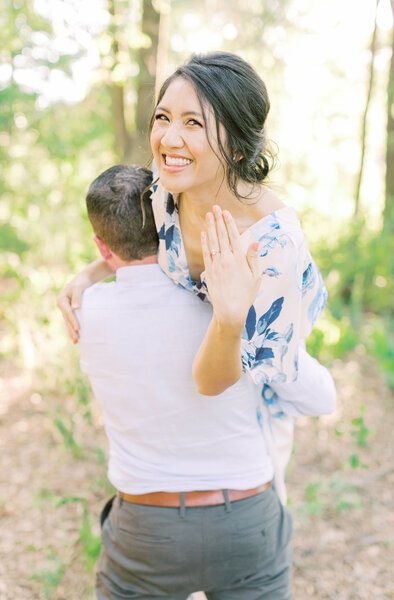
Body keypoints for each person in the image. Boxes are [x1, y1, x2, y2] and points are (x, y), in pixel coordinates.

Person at [58, 51, 328, 501]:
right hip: (210, 365)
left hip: (261, 377)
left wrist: (229, 314)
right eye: (163, 117)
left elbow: (212, 382)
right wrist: (87, 276)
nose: (168, 137)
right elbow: (134, 244)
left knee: (272, 473)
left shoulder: (273, 248)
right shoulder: (163, 191)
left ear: (238, 145)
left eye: (194, 124)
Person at [76, 164, 336, 600]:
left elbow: (118, 270)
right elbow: (320, 397)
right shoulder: (225, 300)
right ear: (172, 221)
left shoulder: (86, 310)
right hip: (244, 517)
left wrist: (88, 274)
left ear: (103, 245)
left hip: (145, 526)